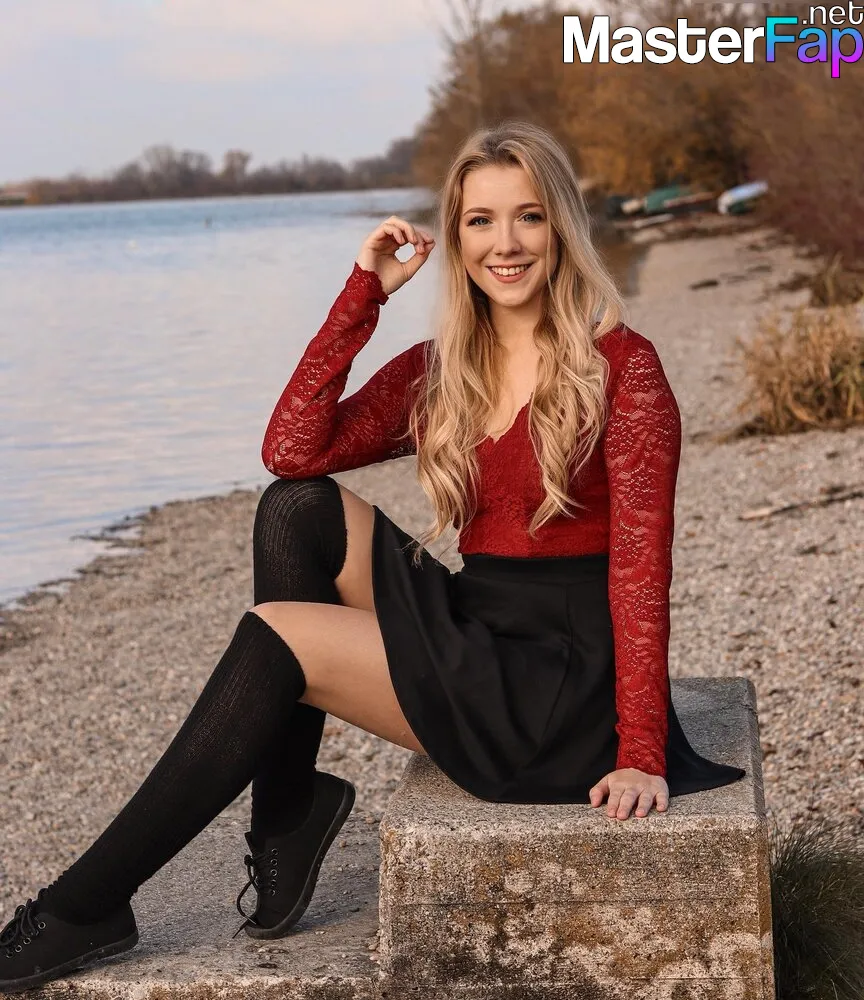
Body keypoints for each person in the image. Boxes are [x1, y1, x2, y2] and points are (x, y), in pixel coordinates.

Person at [0, 120, 745, 993]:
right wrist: (365, 294)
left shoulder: (623, 366)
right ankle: (287, 814)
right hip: (481, 622)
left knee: (278, 635)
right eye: (480, 221)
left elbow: (642, 567)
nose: (505, 244)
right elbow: (292, 449)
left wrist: (642, 748)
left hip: (557, 686)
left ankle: (87, 906)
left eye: (529, 216)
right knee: (295, 510)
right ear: (455, 236)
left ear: (562, 227)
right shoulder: (445, 369)